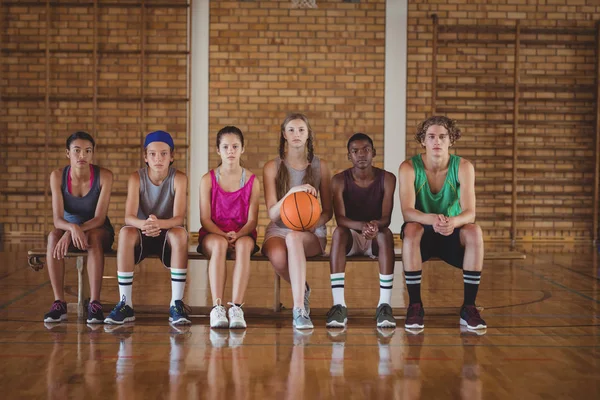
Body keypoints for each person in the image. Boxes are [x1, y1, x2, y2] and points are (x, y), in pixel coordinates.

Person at [398, 116, 486, 331]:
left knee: (474, 231)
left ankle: (468, 307)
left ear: (451, 140)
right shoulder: (409, 167)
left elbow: (470, 213)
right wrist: (434, 219)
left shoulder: (464, 167)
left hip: (451, 231)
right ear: (423, 141)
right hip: (423, 232)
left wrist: (453, 221)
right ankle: (415, 305)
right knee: (410, 229)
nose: (437, 141)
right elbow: (408, 212)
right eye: (431, 137)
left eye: (442, 136)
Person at [104, 130, 191, 325]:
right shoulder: (136, 178)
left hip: (167, 231)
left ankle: (176, 303)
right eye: (152, 154)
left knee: (180, 235)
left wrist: (158, 224)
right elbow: (129, 217)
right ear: (145, 157)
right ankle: (125, 303)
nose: (158, 158)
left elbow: (178, 218)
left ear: (172, 156)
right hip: (143, 231)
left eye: (163, 154)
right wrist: (146, 224)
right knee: (126, 232)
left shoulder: (179, 178)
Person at [262, 113, 333, 330]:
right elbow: (273, 214)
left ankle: (299, 310)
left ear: (308, 134)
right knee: (277, 255)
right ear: (284, 135)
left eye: (301, 130)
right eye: (291, 130)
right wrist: (291, 192)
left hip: (310, 232)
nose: (296, 134)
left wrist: (311, 225)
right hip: (278, 227)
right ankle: (303, 289)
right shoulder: (272, 167)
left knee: (294, 238)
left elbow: (328, 212)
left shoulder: (321, 167)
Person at [326, 133, 397, 329]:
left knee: (386, 234)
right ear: (349, 156)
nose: (361, 154)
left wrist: (374, 226)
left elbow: (387, 217)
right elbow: (340, 218)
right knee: (338, 232)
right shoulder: (339, 180)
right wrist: (362, 226)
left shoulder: (388, 178)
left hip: (376, 236)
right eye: (355, 151)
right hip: (351, 236)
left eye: (366, 149)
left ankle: (384, 305)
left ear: (373, 152)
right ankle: (338, 305)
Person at [43, 131, 114, 324]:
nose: (82, 155)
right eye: (77, 151)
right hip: (69, 228)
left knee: (94, 237)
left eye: (87, 151)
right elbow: (57, 219)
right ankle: (59, 302)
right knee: (52, 237)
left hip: (98, 229)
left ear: (92, 154)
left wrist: (76, 229)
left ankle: (95, 304)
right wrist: (71, 230)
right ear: (68, 153)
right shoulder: (57, 176)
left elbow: (99, 218)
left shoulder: (104, 176)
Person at [198, 126, 260, 329]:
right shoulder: (208, 180)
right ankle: (217, 308)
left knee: (243, 246)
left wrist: (238, 234)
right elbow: (205, 219)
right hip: (214, 233)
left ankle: (236, 307)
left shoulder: (252, 181)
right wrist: (224, 235)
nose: (231, 151)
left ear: (243, 149)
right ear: (218, 150)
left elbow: (252, 221)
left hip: (243, 233)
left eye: (235, 146)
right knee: (218, 245)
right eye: (225, 147)